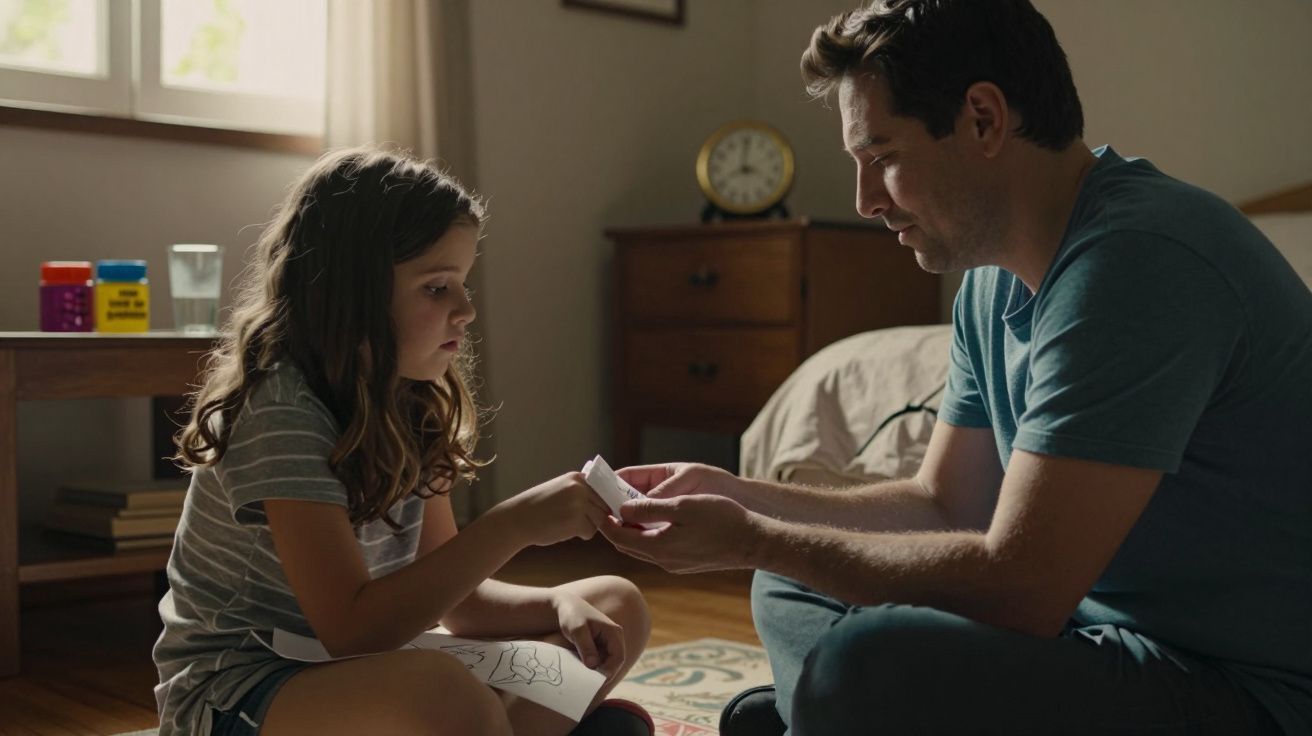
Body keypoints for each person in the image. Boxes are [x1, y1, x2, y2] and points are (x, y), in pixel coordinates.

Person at [600, 1, 1312, 734]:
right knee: (794, 579)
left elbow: (1023, 588)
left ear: (982, 119)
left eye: (882, 158)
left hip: (1244, 686)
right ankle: (823, 713)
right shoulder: (990, 280)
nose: (865, 200)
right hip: (1093, 639)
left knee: (858, 663)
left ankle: (818, 708)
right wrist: (743, 501)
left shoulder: (1140, 261)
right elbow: (947, 505)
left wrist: (749, 536)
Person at [154, 147, 654, 736]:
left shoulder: (413, 399)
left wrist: (556, 606)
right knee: (442, 693)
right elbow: (350, 629)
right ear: (354, 294)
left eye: (463, 284)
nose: (467, 310)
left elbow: (457, 603)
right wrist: (511, 525)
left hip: (357, 670)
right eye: (438, 288)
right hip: (238, 690)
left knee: (615, 604)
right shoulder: (282, 409)